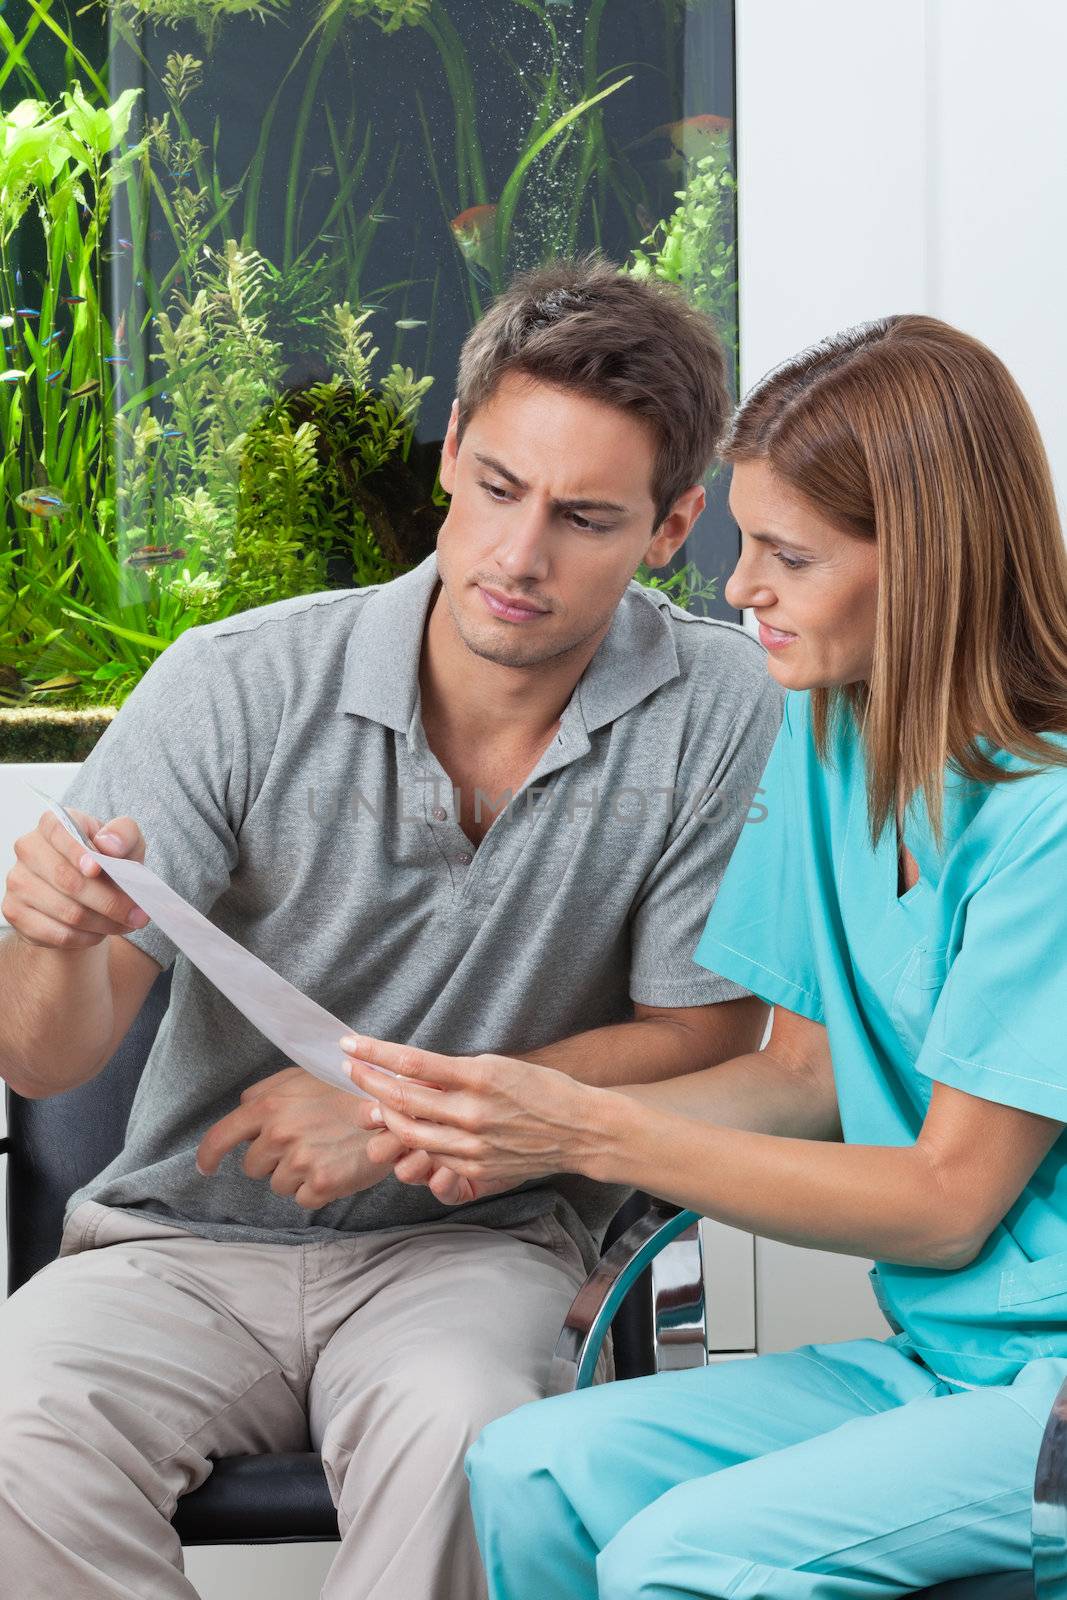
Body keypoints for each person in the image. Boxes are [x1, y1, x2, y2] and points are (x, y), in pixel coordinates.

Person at [0, 257, 783, 1600]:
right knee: (16, 1430)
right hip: (173, 1248)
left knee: (477, 1444)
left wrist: (418, 1112)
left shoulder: (721, 709)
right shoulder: (234, 683)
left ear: (672, 528)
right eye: (494, 489)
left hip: (477, 1252)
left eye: (585, 517)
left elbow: (700, 1042)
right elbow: (44, 1063)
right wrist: (53, 939)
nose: (516, 557)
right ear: (450, 461)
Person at [343, 313, 1067, 1599]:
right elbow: (802, 1077)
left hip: (1051, 1401)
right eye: (743, 540)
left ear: (932, 565)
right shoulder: (838, 734)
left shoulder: (1047, 821)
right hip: (946, 1361)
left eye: (786, 554)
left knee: (685, 1556)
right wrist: (502, 1114)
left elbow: (946, 1206)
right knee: (530, 1471)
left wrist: (587, 1133)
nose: (737, 588)